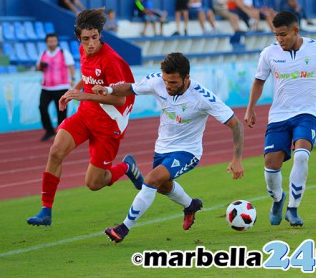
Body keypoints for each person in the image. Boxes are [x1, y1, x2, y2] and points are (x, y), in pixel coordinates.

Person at [94, 52, 245, 243]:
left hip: (188, 151)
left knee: (151, 179)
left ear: (186, 78)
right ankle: (191, 205)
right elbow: (130, 88)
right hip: (162, 147)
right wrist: (107, 90)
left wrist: (237, 158)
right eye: (166, 81)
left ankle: (123, 228)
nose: (167, 86)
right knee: (162, 186)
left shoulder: (202, 97)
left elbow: (236, 124)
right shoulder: (158, 82)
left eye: (173, 82)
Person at [27, 8, 138, 226]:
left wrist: (83, 95)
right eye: (86, 39)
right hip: (86, 115)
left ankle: (126, 167)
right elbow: (87, 77)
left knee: (94, 183)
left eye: (95, 38)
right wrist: (72, 91)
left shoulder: (111, 61)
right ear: (79, 37)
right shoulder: (82, 50)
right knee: (56, 151)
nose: (90, 44)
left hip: (108, 124)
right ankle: (45, 211)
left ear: (100, 35)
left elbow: (119, 100)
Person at [244, 11, 316, 227]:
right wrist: (250, 109)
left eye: (283, 34)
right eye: (276, 35)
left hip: (307, 113)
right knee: (270, 166)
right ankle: (278, 199)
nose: (279, 39)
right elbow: (259, 81)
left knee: (302, 155)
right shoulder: (269, 53)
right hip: (279, 115)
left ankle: (293, 208)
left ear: (296, 31)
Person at [36, 33, 76, 142]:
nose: (52, 43)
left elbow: (71, 65)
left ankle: (61, 133)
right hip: (47, 87)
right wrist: (41, 66)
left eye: (54, 40)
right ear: (46, 42)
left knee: (61, 111)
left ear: (57, 41)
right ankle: (49, 130)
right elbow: (37, 68)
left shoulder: (63, 52)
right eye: (50, 41)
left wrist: (72, 78)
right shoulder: (43, 53)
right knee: (42, 107)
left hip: (61, 87)